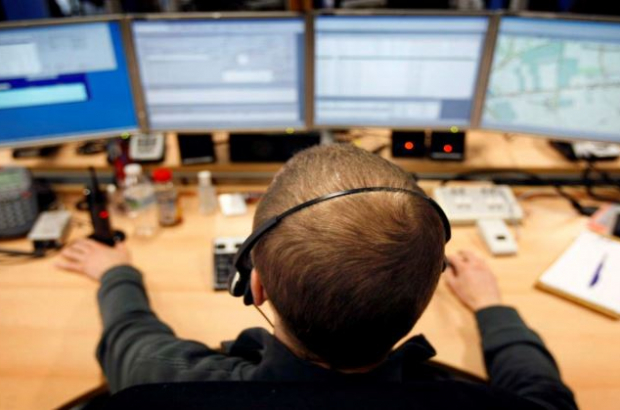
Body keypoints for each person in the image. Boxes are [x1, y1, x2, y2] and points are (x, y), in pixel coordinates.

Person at [57, 145, 576, 409]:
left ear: (254, 285)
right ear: (429, 284)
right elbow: (546, 395)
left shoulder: (164, 392)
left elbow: (130, 341)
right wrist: (492, 309)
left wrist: (118, 274)